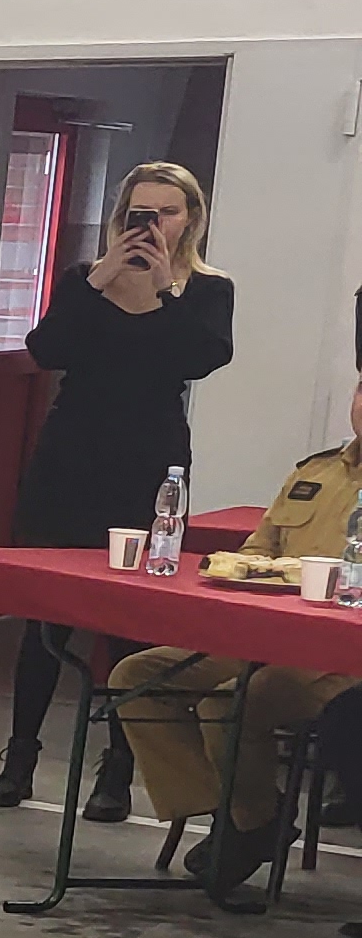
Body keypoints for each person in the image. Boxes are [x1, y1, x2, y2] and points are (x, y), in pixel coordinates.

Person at [0, 160, 234, 812]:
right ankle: (19, 757)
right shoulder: (84, 281)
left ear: (190, 220)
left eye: (166, 213)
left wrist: (163, 290)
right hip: (71, 456)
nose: (151, 225)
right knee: (45, 620)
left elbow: (201, 356)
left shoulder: (206, 290)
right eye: (139, 213)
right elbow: (47, 348)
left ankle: (118, 769)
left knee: (130, 622)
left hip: (147, 461)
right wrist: (100, 279)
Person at [106, 372, 361, 905]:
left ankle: (246, 824)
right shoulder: (314, 472)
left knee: (233, 701)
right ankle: (243, 814)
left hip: (338, 655)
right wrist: (254, 569)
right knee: (137, 676)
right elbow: (256, 550)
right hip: (261, 635)